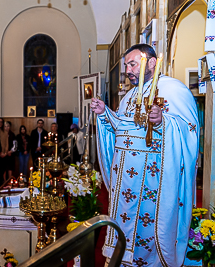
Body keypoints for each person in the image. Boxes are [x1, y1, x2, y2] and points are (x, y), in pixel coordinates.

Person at [91, 44, 199, 266]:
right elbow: (123, 128)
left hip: (153, 183)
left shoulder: (173, 90)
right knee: (125, 231)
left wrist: (163, 121)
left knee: (148, 233)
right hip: (126, 184)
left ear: (151, 62)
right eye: (126, 66)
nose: (128, 70)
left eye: (133, 64)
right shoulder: (129, 96)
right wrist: (104, 113)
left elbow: (189, 130)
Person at [0, 121, 16, 185]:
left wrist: (10, 151)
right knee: (4, 168)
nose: (6, 128)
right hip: (3, 154)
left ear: (10, 127)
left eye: (8, 126)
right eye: (5, 126)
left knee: (10, 168)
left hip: (10, 154)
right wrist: (4, 152)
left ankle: (10, 181)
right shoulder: (1, 134)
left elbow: (15, 145)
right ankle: (4, 181)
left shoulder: (12, 134)